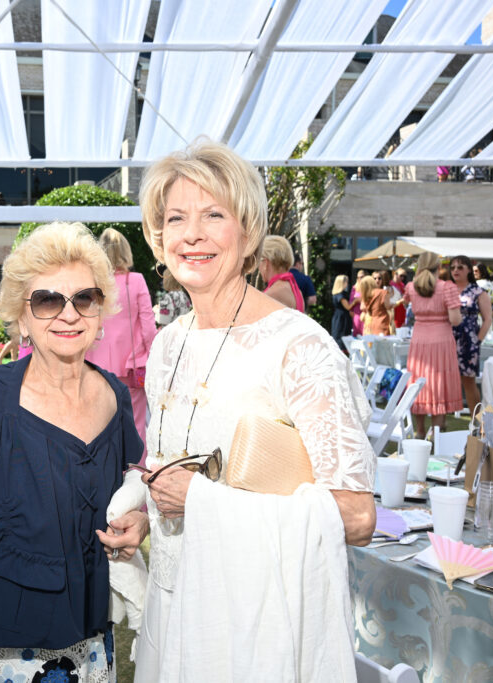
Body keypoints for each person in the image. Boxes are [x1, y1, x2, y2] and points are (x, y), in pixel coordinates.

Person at [123, 141, 375, 680]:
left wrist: (204, 502)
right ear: (158, 236)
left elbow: (356, 515)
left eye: (214, 214)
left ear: (247, 232)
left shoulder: (299, 348)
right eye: (176, 218)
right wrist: (145, 511)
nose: (192, 234)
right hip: (173, 610)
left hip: (253, 626)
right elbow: (182, 465)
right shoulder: (167, 344)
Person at [0, 222, 146, 682]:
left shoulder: (113, 396)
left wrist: (140, 520)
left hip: (95, 648)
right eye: (48, 300)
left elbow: (131, 492)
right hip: (8, 658)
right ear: (22, 316)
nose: (68, 315)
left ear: (100, 310)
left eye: (84, 298)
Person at [87, 227, 158, 465]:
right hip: (131, 366)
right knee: (137, 425)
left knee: (99, 424)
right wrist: (152, 356)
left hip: (95, 365)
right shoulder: (135, 281)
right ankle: (137, 483)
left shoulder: (93, 285)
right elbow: (148, 326)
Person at [403, 252, 463, 437]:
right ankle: (437, 434)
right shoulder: (447, 288)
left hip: (419, 339)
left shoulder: (411, 287)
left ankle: (419, 430)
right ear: (439, 267)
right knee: (439, 382)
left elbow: (407, 304)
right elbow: (455, 320)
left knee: (418, 382)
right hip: (441, 340)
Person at [449, 255, 492, 418]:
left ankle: (477, 420)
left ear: (469, 270)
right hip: (447, 340)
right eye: (453, 267)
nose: (455, 271)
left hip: (468, 342)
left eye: (460, 267)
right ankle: (441, 423)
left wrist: (477, 340)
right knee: (446, 381)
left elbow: (488, 319)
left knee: (468, 382)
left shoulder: (478, 292)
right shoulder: (447, 290)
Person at [258, 234, 304, 311]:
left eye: (259, 261)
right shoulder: (297, 291)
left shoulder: (271, 294)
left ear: (266, 263)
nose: (258, 267)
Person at [331, 273, 353, 351]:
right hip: (342, 319)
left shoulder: (336, 294)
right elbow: (348, 307)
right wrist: (356, 301)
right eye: (346, 282)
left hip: (338, 317)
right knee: (341, 337)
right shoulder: (340, 295)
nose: (347, 284)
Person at [350, 269, 366, 335]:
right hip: (356, 315)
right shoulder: (354, 288)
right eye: (358, 277)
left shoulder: (368, 287)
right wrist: (356, 301)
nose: (360, 279)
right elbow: (350, 304)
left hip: (365, 315)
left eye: (362, 277)